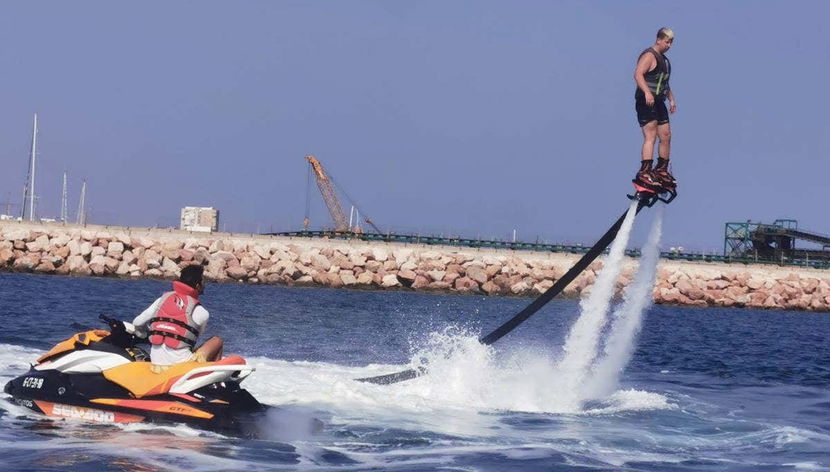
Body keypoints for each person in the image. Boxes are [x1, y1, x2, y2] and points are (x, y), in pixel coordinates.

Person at [132, 264, 223, 372]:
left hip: (156, 362)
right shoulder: (202, 312)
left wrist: (144, 334)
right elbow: (192, 339)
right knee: (217, 341)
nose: (205, 284)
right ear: (198, 286)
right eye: (203, 281)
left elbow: (137, 322)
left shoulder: (161, 300)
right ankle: (216, 377)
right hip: (181, 365)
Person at [633, 27, 677, 191]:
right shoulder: (649, 55)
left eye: (671, 42)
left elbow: (664, 82)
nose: (669, 45)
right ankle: (644, 172)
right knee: (650, 134)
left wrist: (671, 99)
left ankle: (662, 170)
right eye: (667, 41)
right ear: (659, 39)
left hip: (659, 101)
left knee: (666, 135)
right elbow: (638, 74)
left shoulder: (664, 61)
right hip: (646, 100)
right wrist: (646, 93)